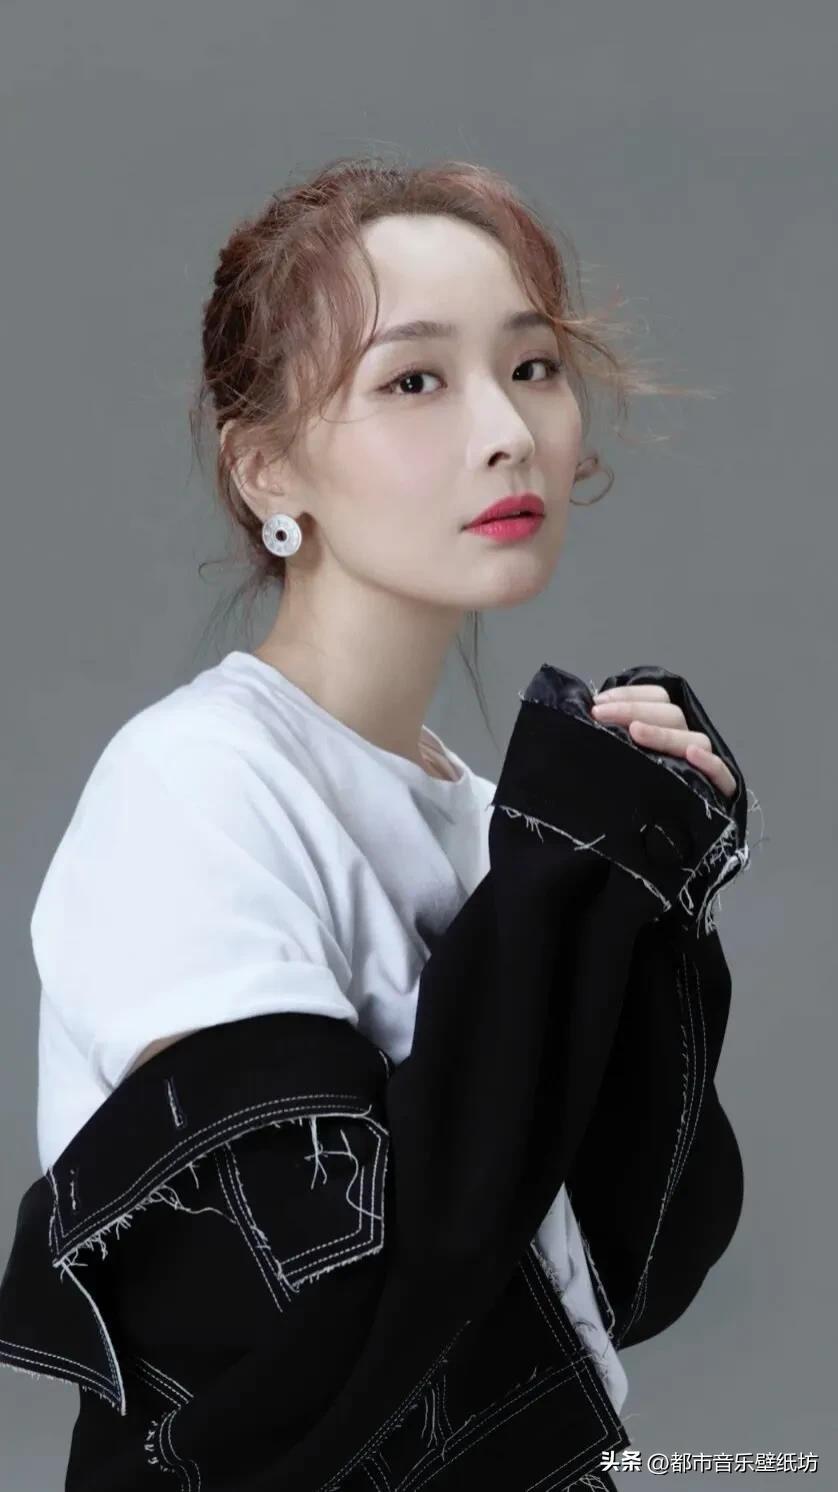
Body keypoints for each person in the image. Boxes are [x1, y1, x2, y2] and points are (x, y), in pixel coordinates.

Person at [0, 156, 752, 1491]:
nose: (507, 430)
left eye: (530, 366)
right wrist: (554, 888)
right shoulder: (198, 788)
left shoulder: (489, 821)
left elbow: (623, 1281)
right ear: (265, 467)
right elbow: (313, 1336)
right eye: (415, 381)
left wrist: (641, 898)